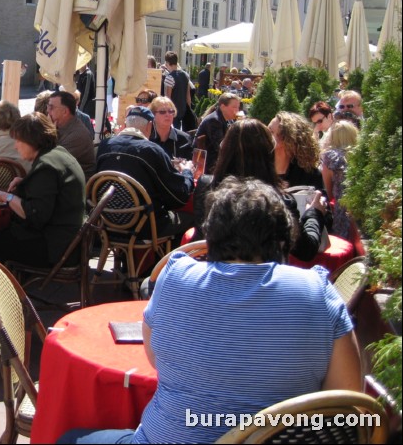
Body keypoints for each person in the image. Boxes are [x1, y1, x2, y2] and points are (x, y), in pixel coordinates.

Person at [59, 177, 361, 445]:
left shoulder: (176, 276)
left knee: (71, 438)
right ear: (282, 241)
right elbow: (346, 405)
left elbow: (155, 359)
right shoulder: (317, 290)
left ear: (211, 237)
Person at [193, 119, 327, 261]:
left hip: (212, 272)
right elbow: (307, 250)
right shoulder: (277, 199)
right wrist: (314, 213)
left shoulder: (206, 186)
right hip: (264, 279)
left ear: (224, 149)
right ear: (268, 154)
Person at [0, 112, 85, 275]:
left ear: (32, 140)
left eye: (18, 141)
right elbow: (50, 192)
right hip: (67, 240)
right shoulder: (58, 153)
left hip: (54, 247)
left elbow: (34, 215)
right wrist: (26, 182)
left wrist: (6, 196)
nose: (16, 146)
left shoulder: (46, 166)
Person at [97, 106, 195, 244]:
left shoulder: (105, 145)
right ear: (150, 125)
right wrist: (187, 172)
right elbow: (178, 196)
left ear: (126, 124)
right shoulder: (151, 150)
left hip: (107, 224)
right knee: (194, 217)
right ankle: (166, 263)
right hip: (145, 227)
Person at [320, 121, 360, 240]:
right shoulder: (361, 154)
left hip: (342, 211)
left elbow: (327, 191)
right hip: (362, 209)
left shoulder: (331, 157)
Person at [268, 112, 325, 195]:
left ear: (291, 141)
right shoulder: (257, 170)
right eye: (268, 130)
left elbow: (317, 203)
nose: (267, 136)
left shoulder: (310, 174)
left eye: (272, 133)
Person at [47, 91, 96, 180]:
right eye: (48, 106)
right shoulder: (59, 127)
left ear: (65, 112)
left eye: (51, 107)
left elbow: (51, 162)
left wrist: (49, 132)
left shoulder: (77, 134)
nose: (48, 111)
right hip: (61, 180)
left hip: (77, 187)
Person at [194, 92, 240, 174]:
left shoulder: (228, 120)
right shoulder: (214, 120)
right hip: (209, 162)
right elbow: (220, 146)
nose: (237, 110)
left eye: (238, 108)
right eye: (234, 107)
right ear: (223, 107)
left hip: (216, 158)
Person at [148, 96, 194, 160]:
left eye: (171, 111)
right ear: (153, 114)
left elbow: (190, 164)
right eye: (162, 112)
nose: (168, 114)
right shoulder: (147, 137)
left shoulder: (184, 139)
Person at [162, 52, 191, 130]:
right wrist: (189, 110)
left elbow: (167, 98)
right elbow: (188, 96)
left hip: (173, 112)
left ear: (167, 63)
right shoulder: (185, 75)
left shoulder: (169, 78)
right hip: (183, 110)